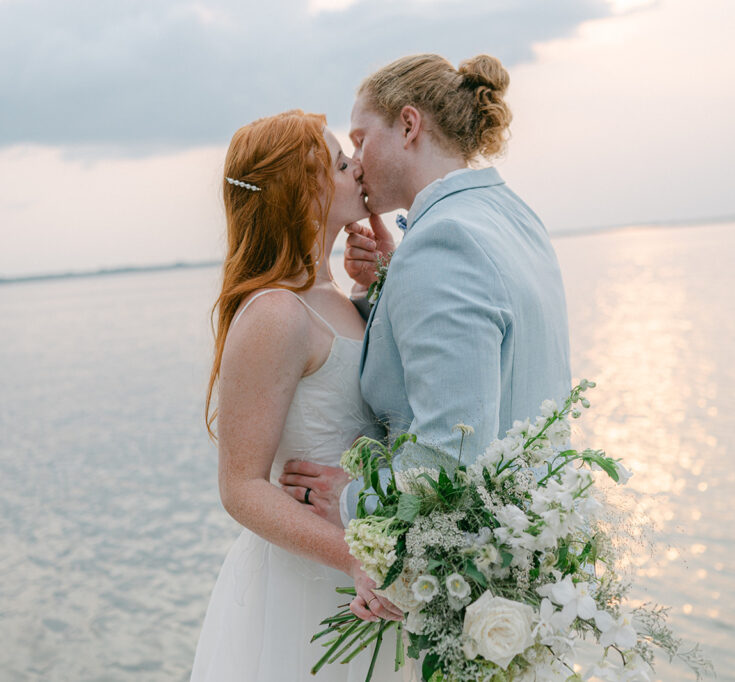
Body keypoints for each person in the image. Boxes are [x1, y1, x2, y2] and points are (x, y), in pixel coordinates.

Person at [279, 54, 572, 622]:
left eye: (361, 139)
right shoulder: (510, 214)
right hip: (531, 565)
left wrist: (348, 498)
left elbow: (448, 456)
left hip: (474, 585)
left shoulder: (443, 243)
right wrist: (394, 284)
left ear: (409, 126)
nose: (356, 163)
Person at [190, 110, 404, 681]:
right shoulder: (276, 312)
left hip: (372, 572)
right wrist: (357, 560)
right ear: (303, 192)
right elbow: (240, 488)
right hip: (316, 583)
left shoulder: (341, 296)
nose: (358, 166)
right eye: (339, 163)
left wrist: (385, 280)